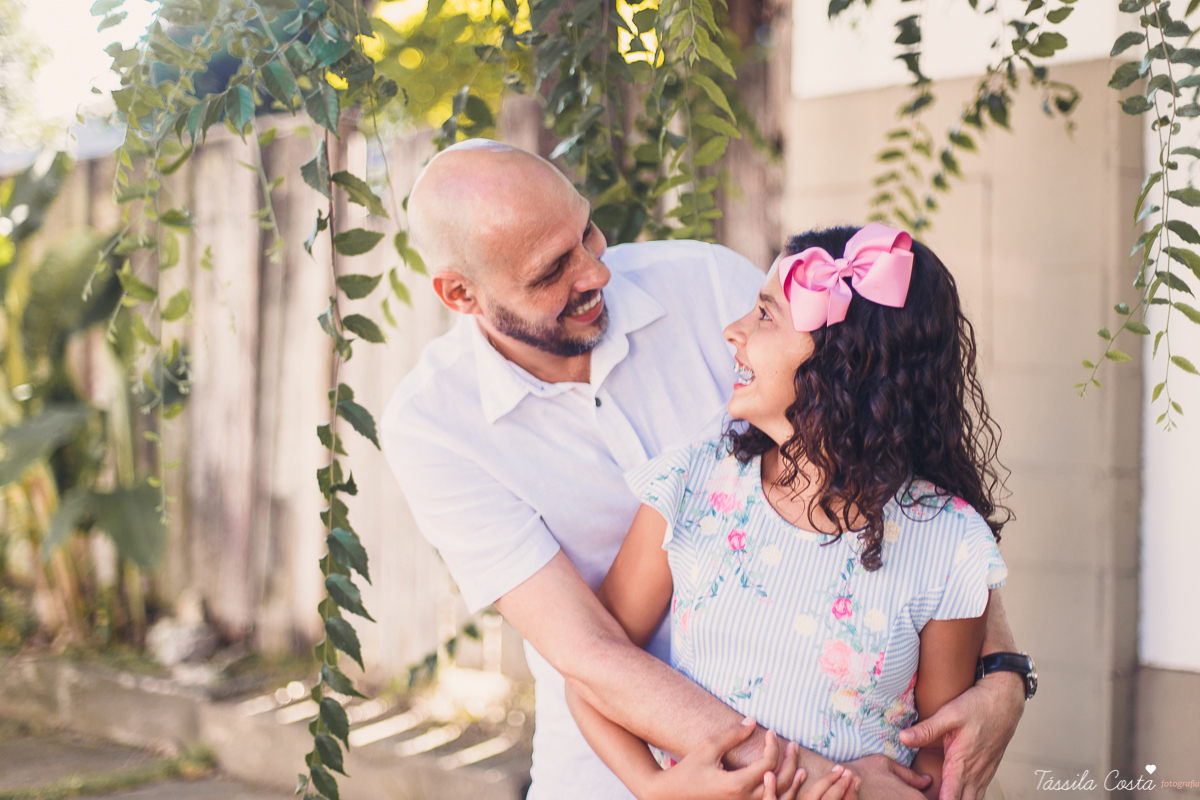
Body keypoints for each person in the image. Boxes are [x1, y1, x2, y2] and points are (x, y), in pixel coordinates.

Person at [380, 139, 1029, 800]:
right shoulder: (434, 427)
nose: (595, 273)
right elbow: (591, 654)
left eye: (587, 232)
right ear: (460, 294)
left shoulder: (708, 284)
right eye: (552, 272)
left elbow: (891, 469)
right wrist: (822, 785)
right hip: (614, 771)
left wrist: (1003, 671)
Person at [564, 224, 1009, 800]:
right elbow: (593, 672)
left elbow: (941, 750)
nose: (733, 332)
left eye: (766, 316)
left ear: (844, 360)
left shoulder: (948, 544)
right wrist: (653, 787)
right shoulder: (694, 485)